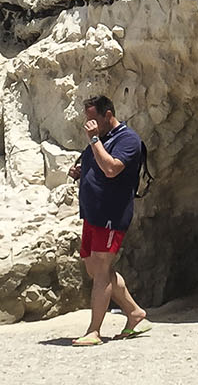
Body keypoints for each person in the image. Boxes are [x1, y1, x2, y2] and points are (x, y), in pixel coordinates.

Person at [65, 94, 149, 345]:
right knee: (95, 269)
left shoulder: (128, 139)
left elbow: (112, 168)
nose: (89, 125)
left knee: (101, 270)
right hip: (93, 213)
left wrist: (93, 140)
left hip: (111, 214)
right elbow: (98, 167)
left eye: (93, 119)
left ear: (108, 115)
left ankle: (94, 331)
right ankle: (135, 314)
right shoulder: (101, 139)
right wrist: (80, 171)